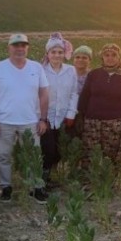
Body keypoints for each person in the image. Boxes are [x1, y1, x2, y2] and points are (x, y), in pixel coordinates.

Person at [0, 33, 49, 204]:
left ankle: (35, 187)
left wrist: (43, 119)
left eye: (23, 45)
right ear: (9, 48)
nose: (20, 49)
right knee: (4, 156)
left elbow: (44, 94)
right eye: (16, 45)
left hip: (30, 121)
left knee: (33, 155)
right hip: (3, 121)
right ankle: (6, 186)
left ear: (27, 48)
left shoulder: (36, 67)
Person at [78, 43, 121, 170]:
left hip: (115, 123)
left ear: (119, 57)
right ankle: (88, 181)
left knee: (112, 156)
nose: (110, 58)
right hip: (92, 122)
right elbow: (85, 97)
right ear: (102, 57)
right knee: (89, 154)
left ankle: (109, 183)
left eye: (114, 55)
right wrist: (80, 116)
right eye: (107, 55)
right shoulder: (94, 74)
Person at [40, 33, 78, 186]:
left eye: (60, 52)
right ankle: (42, 178)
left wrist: (71, 114)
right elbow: (36, 94)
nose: (57, 55)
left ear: (64, 54)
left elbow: (74, 93)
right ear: (47, 54)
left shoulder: (71, 70)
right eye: (53, 52)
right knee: (47, 150)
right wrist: (40, 117)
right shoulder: (41, 70)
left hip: (63, 117)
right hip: (46, 118)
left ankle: (51, 177)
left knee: (59, 149)